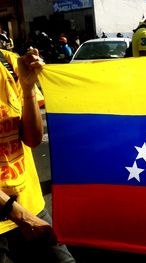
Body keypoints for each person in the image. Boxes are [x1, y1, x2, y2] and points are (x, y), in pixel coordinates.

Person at [0, 45, 75, 262]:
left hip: (31, 206)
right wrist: (22, 218)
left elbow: (32, 140)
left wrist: (27, 86)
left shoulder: (10, 62)